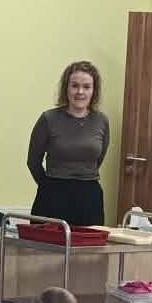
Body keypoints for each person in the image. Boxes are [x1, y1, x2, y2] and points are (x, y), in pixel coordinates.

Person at [27, 61, 110, 228]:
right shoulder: (48, 119)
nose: (80, 92)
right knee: (46, 244)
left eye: (86, 87)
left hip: (89, 197)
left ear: (94, 91)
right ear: (66, 88)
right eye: (75, 86)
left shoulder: (101, 121)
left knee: (87, 244)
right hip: (52, 195)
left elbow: (98, 159)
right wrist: (48, 186)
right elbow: (33, 161)